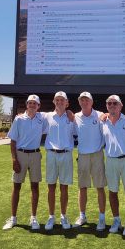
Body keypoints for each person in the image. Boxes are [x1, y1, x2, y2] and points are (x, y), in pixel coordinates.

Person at [2, 94, 47, 231]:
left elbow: (57, 113)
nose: (32, 105)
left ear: (38, 106)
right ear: (27, 105)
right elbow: (13, 140)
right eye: (30, 103)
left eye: (35, 103)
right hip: (20, 154)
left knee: (35, 187)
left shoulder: (42, 118)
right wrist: (14, 159)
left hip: (35, 154)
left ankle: (33, 218)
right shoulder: (19, 119)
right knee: (16, 187)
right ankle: (13, 218)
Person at [100, 95, 125, 236]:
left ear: (121, 105)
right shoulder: (103, 122)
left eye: (115, 103)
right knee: (112, 192)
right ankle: (116, 220)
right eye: (109, 103)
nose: (112, 105)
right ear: (107, 106)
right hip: (111, 160)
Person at [72, 92, 107, 231]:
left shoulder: (100, 115)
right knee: (82, 187)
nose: (84, 102)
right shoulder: (75, 117)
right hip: (82, 155)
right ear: (79, 102)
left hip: (97, 155)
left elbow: (105, 133)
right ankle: (82, 216)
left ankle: (102, 218)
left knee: (100, 187)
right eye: (82, 100)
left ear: (91, 102)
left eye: (87, 100)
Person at [43, 91, 75, 230]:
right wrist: (20, 114)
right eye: (57, 100)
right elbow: (31, 114)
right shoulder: (46, 117)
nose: (60, 102)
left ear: (67, 103)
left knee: (64, 187)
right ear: (54, 102)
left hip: (66, 155)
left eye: (62, 100)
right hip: (51, 154)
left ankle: (63, 215)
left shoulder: (72, 118)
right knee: (51, 187)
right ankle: (51, 216)